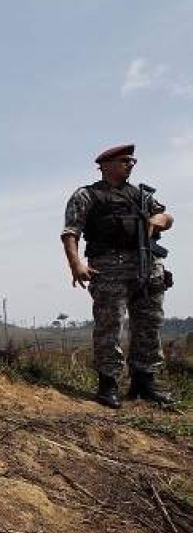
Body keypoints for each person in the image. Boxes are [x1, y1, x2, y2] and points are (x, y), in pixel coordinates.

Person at [61, 144, 175, 409]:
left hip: (147, 268)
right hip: (109, 268)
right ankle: (108, 384)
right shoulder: (88, 195)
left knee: (149, 324)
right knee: (109, 327)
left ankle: (145, 382)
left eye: (132, 160)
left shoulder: (141, 195)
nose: (131, 164)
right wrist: (76, 265)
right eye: (125, 160)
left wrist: (159, 220)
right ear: (106, 164)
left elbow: (166, 216)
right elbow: (70, 232)